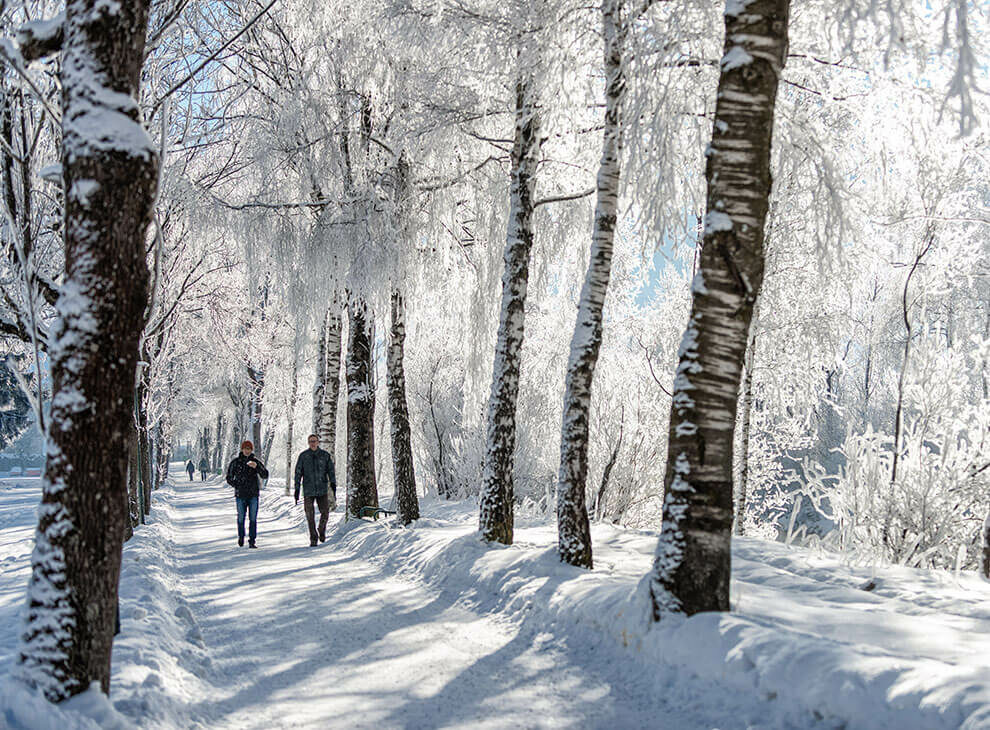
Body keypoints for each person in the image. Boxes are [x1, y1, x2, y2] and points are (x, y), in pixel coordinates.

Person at [294, 434, 337, 547]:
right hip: (308, 490)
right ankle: (313, 537)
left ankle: (321, 529)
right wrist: (297, 488)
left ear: (318, 442)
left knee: (325, 512)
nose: (312, 443)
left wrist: (333, 483)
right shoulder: (303, 456)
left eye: (314, 441)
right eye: (310, 441)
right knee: (309, 515)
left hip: (322, 489)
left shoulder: (325, 456)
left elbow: (331, 470)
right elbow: (298, 473)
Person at [225, 440, 269, 548]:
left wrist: (257, 467)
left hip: (253, 494)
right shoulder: (236, 462)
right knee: (241, 517)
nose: (247, 451)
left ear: (251, 450)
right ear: (242, 449)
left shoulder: (255, 462)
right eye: (245, 448)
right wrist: (237, 485)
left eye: (249, 449)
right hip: (240, 495)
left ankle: (252, 540)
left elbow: (265, 475)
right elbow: (229, 477)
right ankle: (241, 537)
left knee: (253, 518)